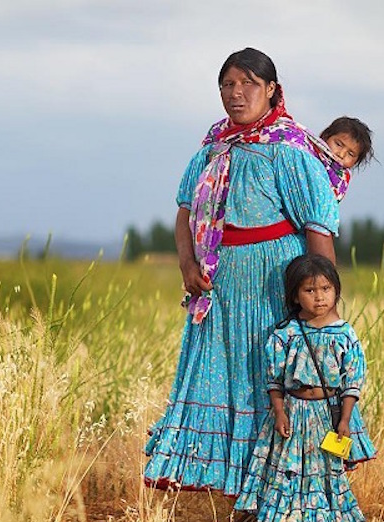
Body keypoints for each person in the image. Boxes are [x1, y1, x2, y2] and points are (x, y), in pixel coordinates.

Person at [143, 47, 345, 498]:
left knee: (274, 383)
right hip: (219, 290)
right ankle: (242, 502)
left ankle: (290, 503)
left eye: (249, 84)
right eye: (228, 85)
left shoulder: (290, 152)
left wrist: (321, 305)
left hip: (275, 287)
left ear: (272, 91)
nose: (237, 93)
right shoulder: (212, 148)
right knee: (228, 382)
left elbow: (318, 227)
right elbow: (184, 213)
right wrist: (187, 265)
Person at [234, 254, 377, 522]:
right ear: (295, 296)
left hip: (327, 415)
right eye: (309, 291)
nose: (319, 297)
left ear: (336, 290)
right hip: (294, 413)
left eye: (325, 288)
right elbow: (273, 380)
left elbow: (352, 381)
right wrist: (279, 411)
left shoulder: (345, 334)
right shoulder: (285, 334)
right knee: (286, 471)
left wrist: (345, 421)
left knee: (323, 473)